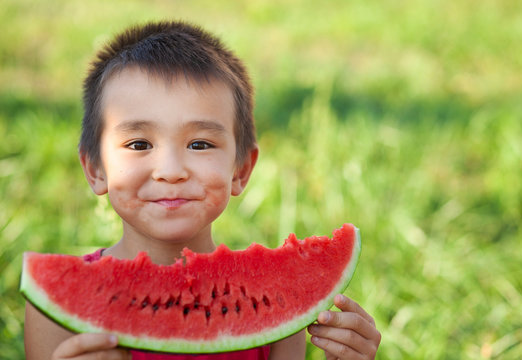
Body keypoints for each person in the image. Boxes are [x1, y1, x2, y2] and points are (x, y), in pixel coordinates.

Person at [24, 20, 381, 360]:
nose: (171, 171)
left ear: (241, 170)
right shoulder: (52, 314)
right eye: (138, 144)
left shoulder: (280, 304)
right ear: (94, 169)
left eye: (199, 145)